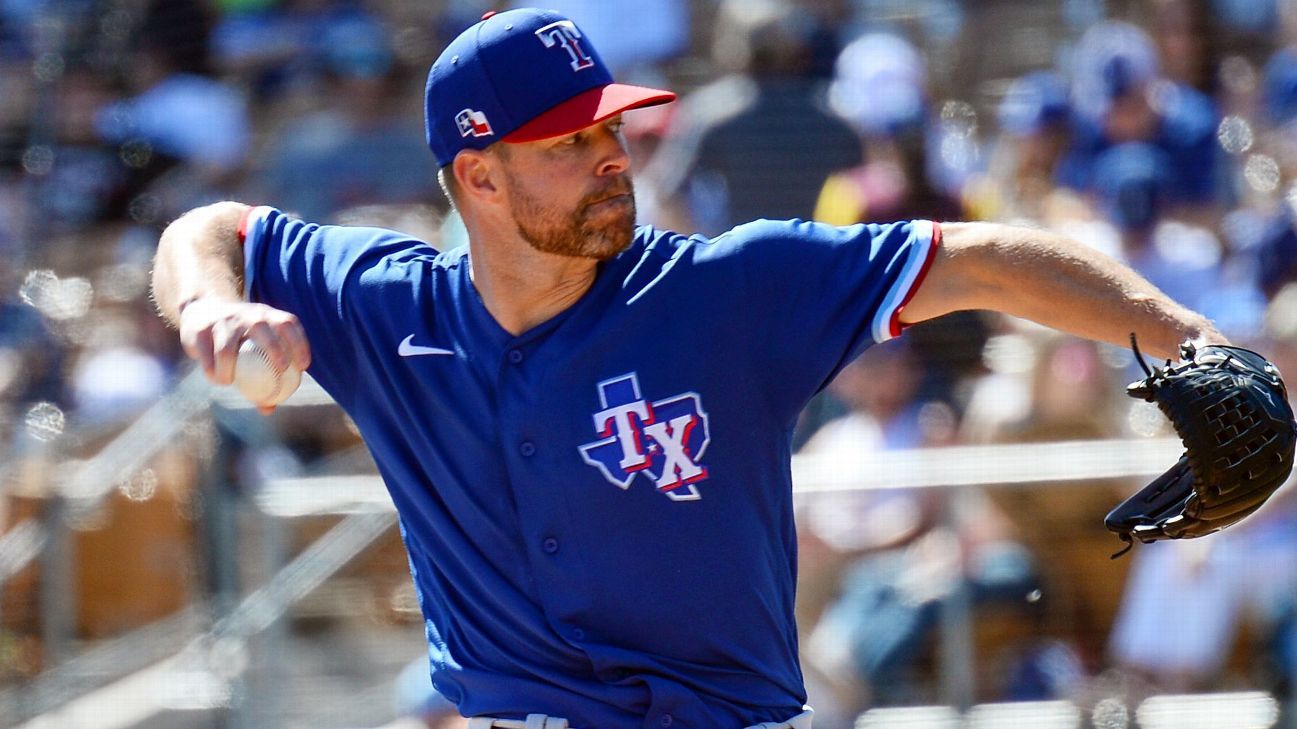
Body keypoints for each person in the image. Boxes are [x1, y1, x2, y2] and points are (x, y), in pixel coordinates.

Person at [151, 9, 1229, 728]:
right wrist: (211, 304)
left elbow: (979, 259)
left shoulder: (725, 292)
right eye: (567, 144)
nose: (610, 157)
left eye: (609, 131)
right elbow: (215, 226)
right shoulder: (390, 303)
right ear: (477, 176)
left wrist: (1190, 342)